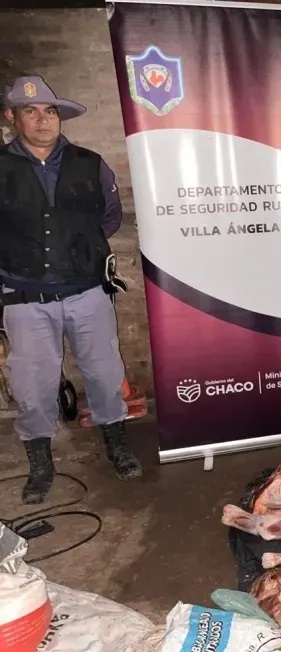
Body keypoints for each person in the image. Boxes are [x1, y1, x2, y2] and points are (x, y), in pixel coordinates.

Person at [0, 75, 142, 504]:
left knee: (105, 373)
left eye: (49, 111)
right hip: (24, 297)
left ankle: (116, 445)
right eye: (30, 111)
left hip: (87, 292)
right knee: (31, 385)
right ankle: (41, 464)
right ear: (12, 117)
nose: (42, 119)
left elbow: (110, 216)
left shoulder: (90, 163)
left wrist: (79, 251)